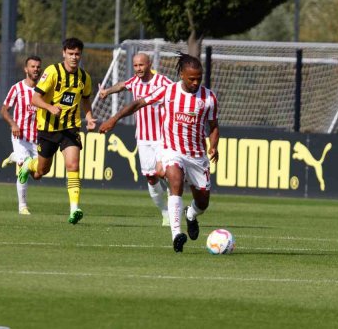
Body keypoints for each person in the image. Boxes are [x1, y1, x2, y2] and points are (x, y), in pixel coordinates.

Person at [99, 53, 219, 252]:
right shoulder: (168, 91)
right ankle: (176, 234)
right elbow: (138, 103)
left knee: (203, 202)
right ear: (181, 74)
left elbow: (214, 126)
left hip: (197, 156)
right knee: (175, 180)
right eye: (191, 78)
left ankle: (191, 215)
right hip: (172, 150)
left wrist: (213, 145)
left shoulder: (208, 97)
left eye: (199, 78)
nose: (196, 82)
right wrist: (114, 119)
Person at [18, 37, 97, 225]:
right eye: (70, 54)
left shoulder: (84, 77)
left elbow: (85, 98)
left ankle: (74, 209)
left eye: (77, 54)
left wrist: (89, 117)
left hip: (70, 128)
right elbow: (35, 99)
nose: (74, 57)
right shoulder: (52, 72)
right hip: (48, 129)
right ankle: (28, 164)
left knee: (73, 165)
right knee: (41, 171)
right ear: (64, 53)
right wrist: (49, 107)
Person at [98, 53, 172, 226]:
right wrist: (107, 92)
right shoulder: (135, 81)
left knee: (165, 173)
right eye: (136, 65)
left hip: (162, 137)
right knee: (151, 178)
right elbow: (123, 85)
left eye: (141, 65)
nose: (138, 69)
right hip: (143, 138)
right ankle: (165, 213)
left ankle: (175, 201)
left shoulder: (164, 83)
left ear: (150, 64)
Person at [0, 55, 42, 215]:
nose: (35, 69)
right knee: (24, 168)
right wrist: (13, 124)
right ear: (26, 69)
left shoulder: (44, 90)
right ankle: (22, 206)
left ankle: (14, 157)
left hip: (37, 139)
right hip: (20, 137)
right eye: (32, 66)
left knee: (38, 174)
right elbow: (4, 110)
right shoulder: (17, 88)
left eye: (38, 67)